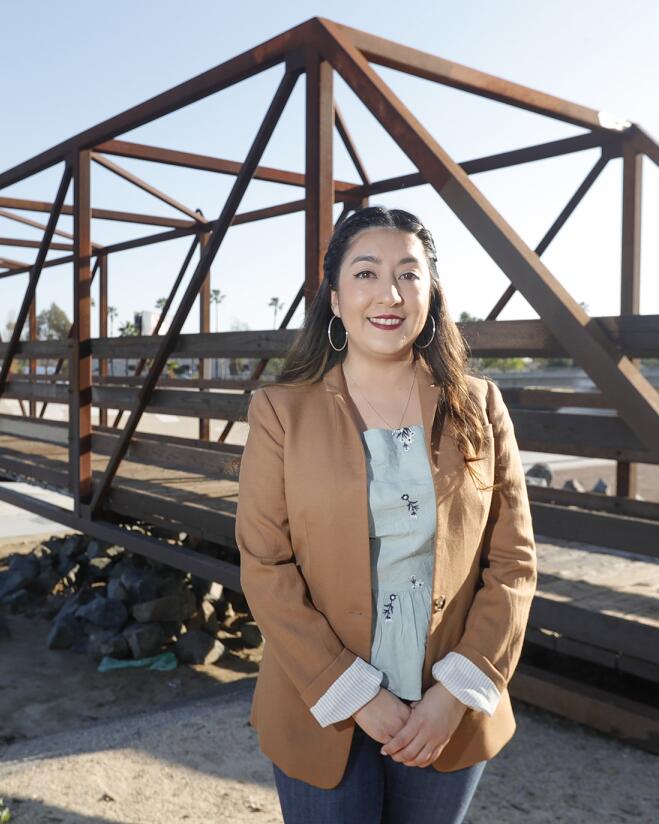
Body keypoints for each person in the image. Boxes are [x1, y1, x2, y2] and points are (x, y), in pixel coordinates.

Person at [235, 205, 538, 823]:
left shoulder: (479, 404)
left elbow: (514, 563)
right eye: (366, 273)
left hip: (443, 708)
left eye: (409, 274)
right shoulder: (279, 412)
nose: (389, 293)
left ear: (431, 293)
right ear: (336, 297)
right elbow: (264, 564)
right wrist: (353, 693)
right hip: (321, 704)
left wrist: (456, 691)